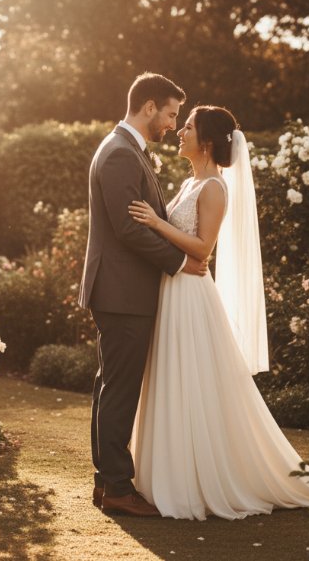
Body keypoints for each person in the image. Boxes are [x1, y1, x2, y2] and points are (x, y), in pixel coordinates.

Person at [127, 105, 309, 520]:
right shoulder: (190, 182)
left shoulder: (214, 187)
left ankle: (196, 480)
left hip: (191, 298)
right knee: (172, 378)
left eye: (190, 127)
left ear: (208, 142)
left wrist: (156, 225)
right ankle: (167, 473)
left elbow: (203, 249)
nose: (181, 130)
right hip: (173, 290)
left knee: (192, 383)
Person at [78, 73, 209, 517]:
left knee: (110, 385)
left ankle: (106, 481)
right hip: (122, 292)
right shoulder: (119, 153)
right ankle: (117, 486)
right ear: (149, 106)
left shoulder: (126, 149)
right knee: (120, 389)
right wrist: (180, 262)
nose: (173, 124)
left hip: (120, 291)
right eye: (171, 114)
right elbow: (128, 228)